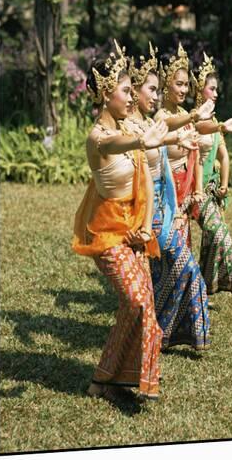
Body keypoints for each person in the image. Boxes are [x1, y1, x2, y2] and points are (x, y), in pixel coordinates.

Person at [71, 40, 168, 401]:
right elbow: (112, 145)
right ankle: (136, 378)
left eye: (131, 91)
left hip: (132, 228)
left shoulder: (130, 127)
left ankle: (104, 381)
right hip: (106, 234)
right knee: (139, 300)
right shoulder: (98, 137)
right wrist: (139, 143)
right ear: (107, 94)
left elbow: (152, 142)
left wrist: (180, 132)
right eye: (126, 91)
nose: (131, 97)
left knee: (135, 306)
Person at [125, 43, 213, 351]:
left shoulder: (149, 122)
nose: (155, 94)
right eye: (151, 88)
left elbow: (167, 131)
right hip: (149, 212)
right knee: (184, 267)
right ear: (135, 91)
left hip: (166, 205)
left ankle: (163, 333)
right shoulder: (130, 127)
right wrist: (190, 118)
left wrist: (183, 135)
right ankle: (164, 332)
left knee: (169, 271)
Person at [191, 52, 232, 294]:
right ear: (200, 90)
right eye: (211, 89)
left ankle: (204, 285)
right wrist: (220, 125)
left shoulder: (213, 121)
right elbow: (201, 127)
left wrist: (224, 185)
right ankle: (210, 283)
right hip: (194, 190)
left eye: (216, 89)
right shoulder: (192, 119)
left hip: (211, 191)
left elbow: (223, 156)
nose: (216, 93)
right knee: (220, 234)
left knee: (212, 239)